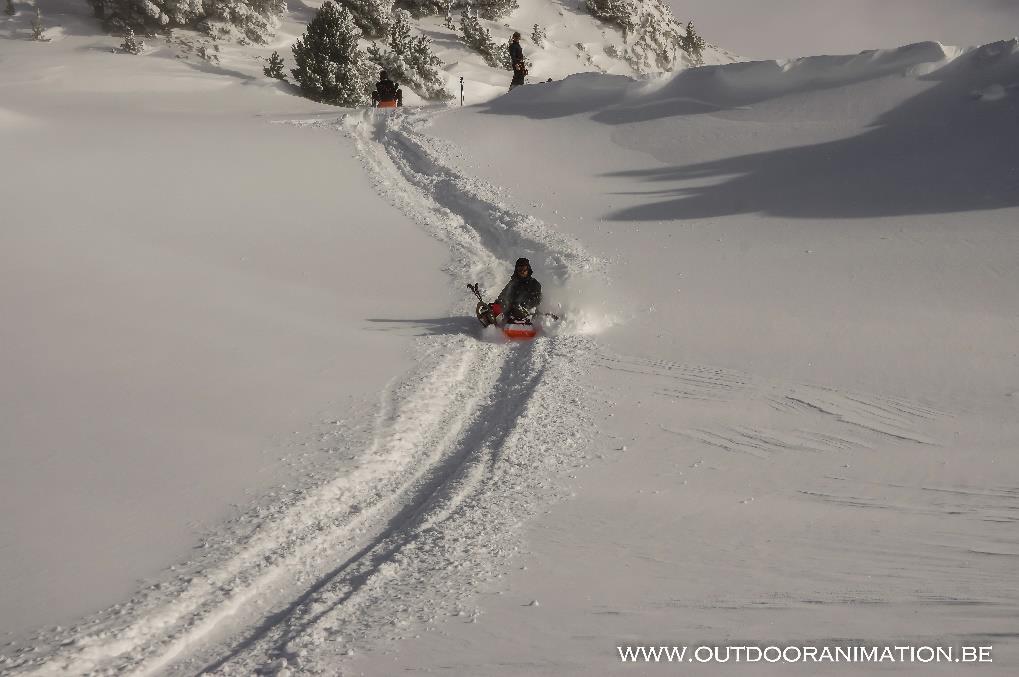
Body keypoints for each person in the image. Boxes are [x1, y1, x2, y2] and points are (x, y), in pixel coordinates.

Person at [495, 257, 541, 322]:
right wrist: (497, 304)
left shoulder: (534, 283)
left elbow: (537, 299)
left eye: (524, 269)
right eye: (520, 269)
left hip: (529, 314)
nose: (522, 271)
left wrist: (525, 305)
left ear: (528, 269)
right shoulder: (512, 283)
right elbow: (503, 296)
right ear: (516, 270)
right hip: (511, 314)